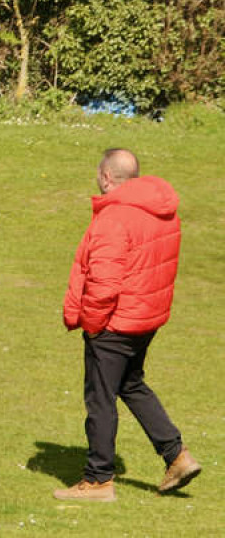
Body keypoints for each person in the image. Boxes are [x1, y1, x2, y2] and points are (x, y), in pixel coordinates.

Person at [55, 149, 200, 501]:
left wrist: (91, 324)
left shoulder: (113, 219)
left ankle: (98, 480)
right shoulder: (163, 212)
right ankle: (176, 455)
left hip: (114, 324)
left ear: (106, 176)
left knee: (100, 399)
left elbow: (104, 283)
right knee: (132, 385)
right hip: (145, 319)